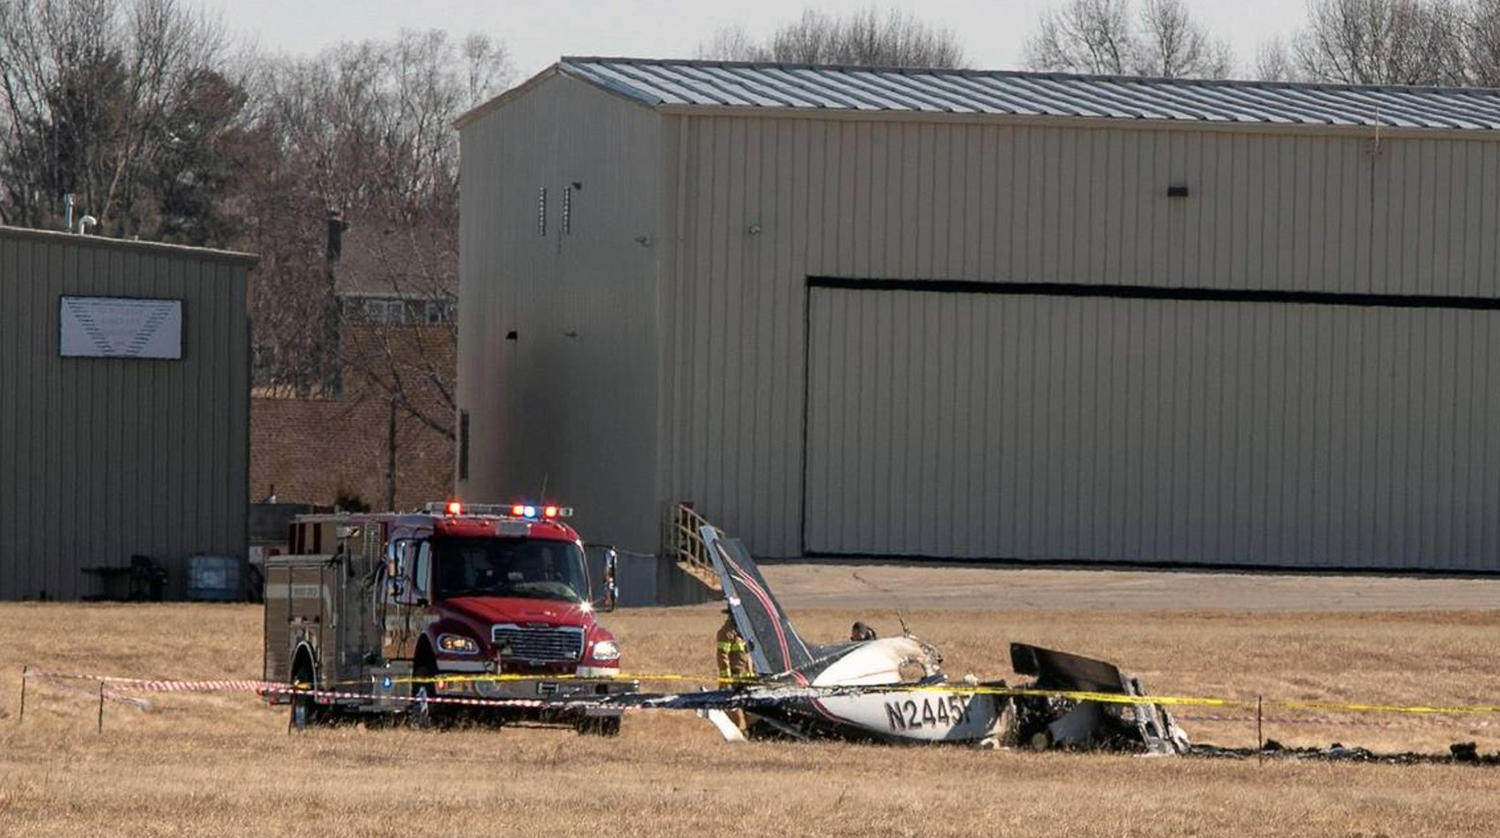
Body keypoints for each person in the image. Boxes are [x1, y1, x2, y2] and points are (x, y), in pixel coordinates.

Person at [715, 608, 753, 730]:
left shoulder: (744, 631)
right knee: (734, 711)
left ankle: (749, 733)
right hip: (733, 680)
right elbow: (722, 656)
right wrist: (727, 680)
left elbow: (749, 656)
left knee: (751, 711)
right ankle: (736, 732)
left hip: (746, 680)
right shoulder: (727, 633)